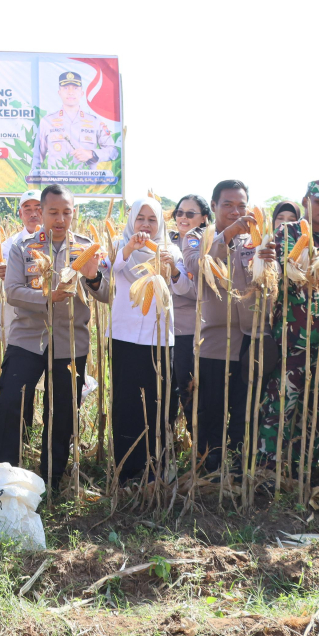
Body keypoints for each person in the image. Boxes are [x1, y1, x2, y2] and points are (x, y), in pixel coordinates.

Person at [0, 185, 110, 495]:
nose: (60, 219)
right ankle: (4, 480)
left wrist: (94, 276)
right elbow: (13, 291)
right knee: (10, 402)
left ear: (74, 213)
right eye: (53, 212)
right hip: (27, 338)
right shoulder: (23, 247)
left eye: (66, 212)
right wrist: (49, 296)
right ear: (41, 213)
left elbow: (108, 293)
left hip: (70, 342)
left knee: (61, 412)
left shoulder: (88, 247)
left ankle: (51, 481)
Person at [255, 181, 319, 475]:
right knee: (280, 404)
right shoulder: (286, 233)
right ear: (306, 202)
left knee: (315, 406)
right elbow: (274, 275)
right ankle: (268, 468)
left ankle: (303, 467)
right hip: (291, 338)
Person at [182, 179, 262, 473]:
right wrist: (227, 235)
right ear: (213, 206)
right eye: (227, 204)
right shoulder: (196, 236)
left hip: (251, 340)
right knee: (211, 412)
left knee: (244, 412)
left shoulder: (254, 239)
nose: (235, 210)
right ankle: (208, 470)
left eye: (241, 205)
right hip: (214, 343)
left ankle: (242, 470)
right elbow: (194, 265)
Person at [109, 197, 188, 481]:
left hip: (159, 337)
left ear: (160, 224)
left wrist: (174, 269)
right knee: (126, 402)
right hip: (124, 336)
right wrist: (129, 249)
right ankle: (126, 470)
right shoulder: (120, 245)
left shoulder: (172, 249)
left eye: (152, 219)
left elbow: (183, 288)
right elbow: (109, 273)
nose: (145, 224)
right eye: (140, 218)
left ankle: (156, 468)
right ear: (132, 221)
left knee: (159, 401)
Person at [0, 188, 45, 430]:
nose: (34, 213)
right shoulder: (9, 244)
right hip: (20, 322)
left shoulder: (62, 241)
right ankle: (22, 431)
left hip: (54, 325)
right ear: (20, 213)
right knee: (19, 384)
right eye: (28, 209)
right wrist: (0, 276)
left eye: (38, 208)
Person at [169, 194, 209, 425]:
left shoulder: (209, 245)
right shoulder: (167, 241)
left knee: (188, 388)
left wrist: (175, 277)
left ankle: (199, 449)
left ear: (204, 218)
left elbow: (203, 291)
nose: (183, 217)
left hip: (190, 330)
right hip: (162, 329)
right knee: (164, 392)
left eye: (190, 213)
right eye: (179, 213)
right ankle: (166, 446)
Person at [35, 72, 119, 170]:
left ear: (82, 93)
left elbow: (113, 151)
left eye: (75, 88)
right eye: (66, 88)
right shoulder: (47, 122)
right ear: (59, 92)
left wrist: (92, 154)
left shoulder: (95, 122)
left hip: (86, 183)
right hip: (56, 183)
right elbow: (37, 157)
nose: (70, 92)